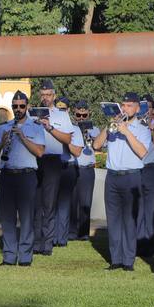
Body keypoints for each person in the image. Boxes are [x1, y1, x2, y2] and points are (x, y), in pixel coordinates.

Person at [95, 92, 153, 272]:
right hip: (112, 176)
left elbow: (143, 153)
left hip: (131, 176)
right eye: (123, 105)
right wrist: (109, 126)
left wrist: (126, 132)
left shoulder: (142, 130)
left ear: (137, 108)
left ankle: (128, 260)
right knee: (113, 219)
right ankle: (116, 259)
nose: (125, 108)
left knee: (129, 219)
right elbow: (96, 146)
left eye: (129, 106)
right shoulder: (113, 127)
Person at [0, 91, 46, 266]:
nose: (18, 109)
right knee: (7, 218)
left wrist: (22, 137)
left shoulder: (35, 127)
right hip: (7, 175)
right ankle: (9, 256)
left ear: (27, 107)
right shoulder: (4, 127)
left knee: (27, 218)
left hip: (26, 176)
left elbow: (40, 152)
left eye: (22, 106)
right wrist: (2, 142)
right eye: (15, 106)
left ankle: (25, 257)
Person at [32, 80, 75, 257]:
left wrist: (49, 128)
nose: (45, 98)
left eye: (48, 94)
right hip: (35, 159)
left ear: (54, 96)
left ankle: (47, 243)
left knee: (49, 203)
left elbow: (67, 139)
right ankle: (35, 242)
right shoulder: (32, 114)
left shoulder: (61, 115)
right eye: (42, 94)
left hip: (52, 160)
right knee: (35, 203)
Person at [136, 95, 154, 258]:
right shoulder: (134, 125)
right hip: (137, 169)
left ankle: (150, 246)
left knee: (151, 209)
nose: (146, 110)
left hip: (151, 169)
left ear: (153, 110)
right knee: (138, 209)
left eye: (149, 107)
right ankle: (139, 244)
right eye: (143, 106)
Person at [51, 94, 80, 248]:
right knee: (50, 203)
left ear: (68, 110)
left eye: (64, 109)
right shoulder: (50, 124)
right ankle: (50, 236)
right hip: (52, 165)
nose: (61, 111)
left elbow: (77, 152)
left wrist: (64, 138)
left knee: (63, 205)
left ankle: (61, 238)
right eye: (59, 108)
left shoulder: (74, 128)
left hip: (67, 166)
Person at [69, 101, 98, 242]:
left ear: (89, 114)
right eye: (78, 115)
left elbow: (100, 146)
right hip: (74, 167)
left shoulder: (95, 129)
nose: (81, 117)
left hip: (87, 169)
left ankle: (83, 233)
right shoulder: (70, 129)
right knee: (71, 201)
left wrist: (91, 135)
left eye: (84, 115)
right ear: (74, 114)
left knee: (85, 202)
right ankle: (71, 231)